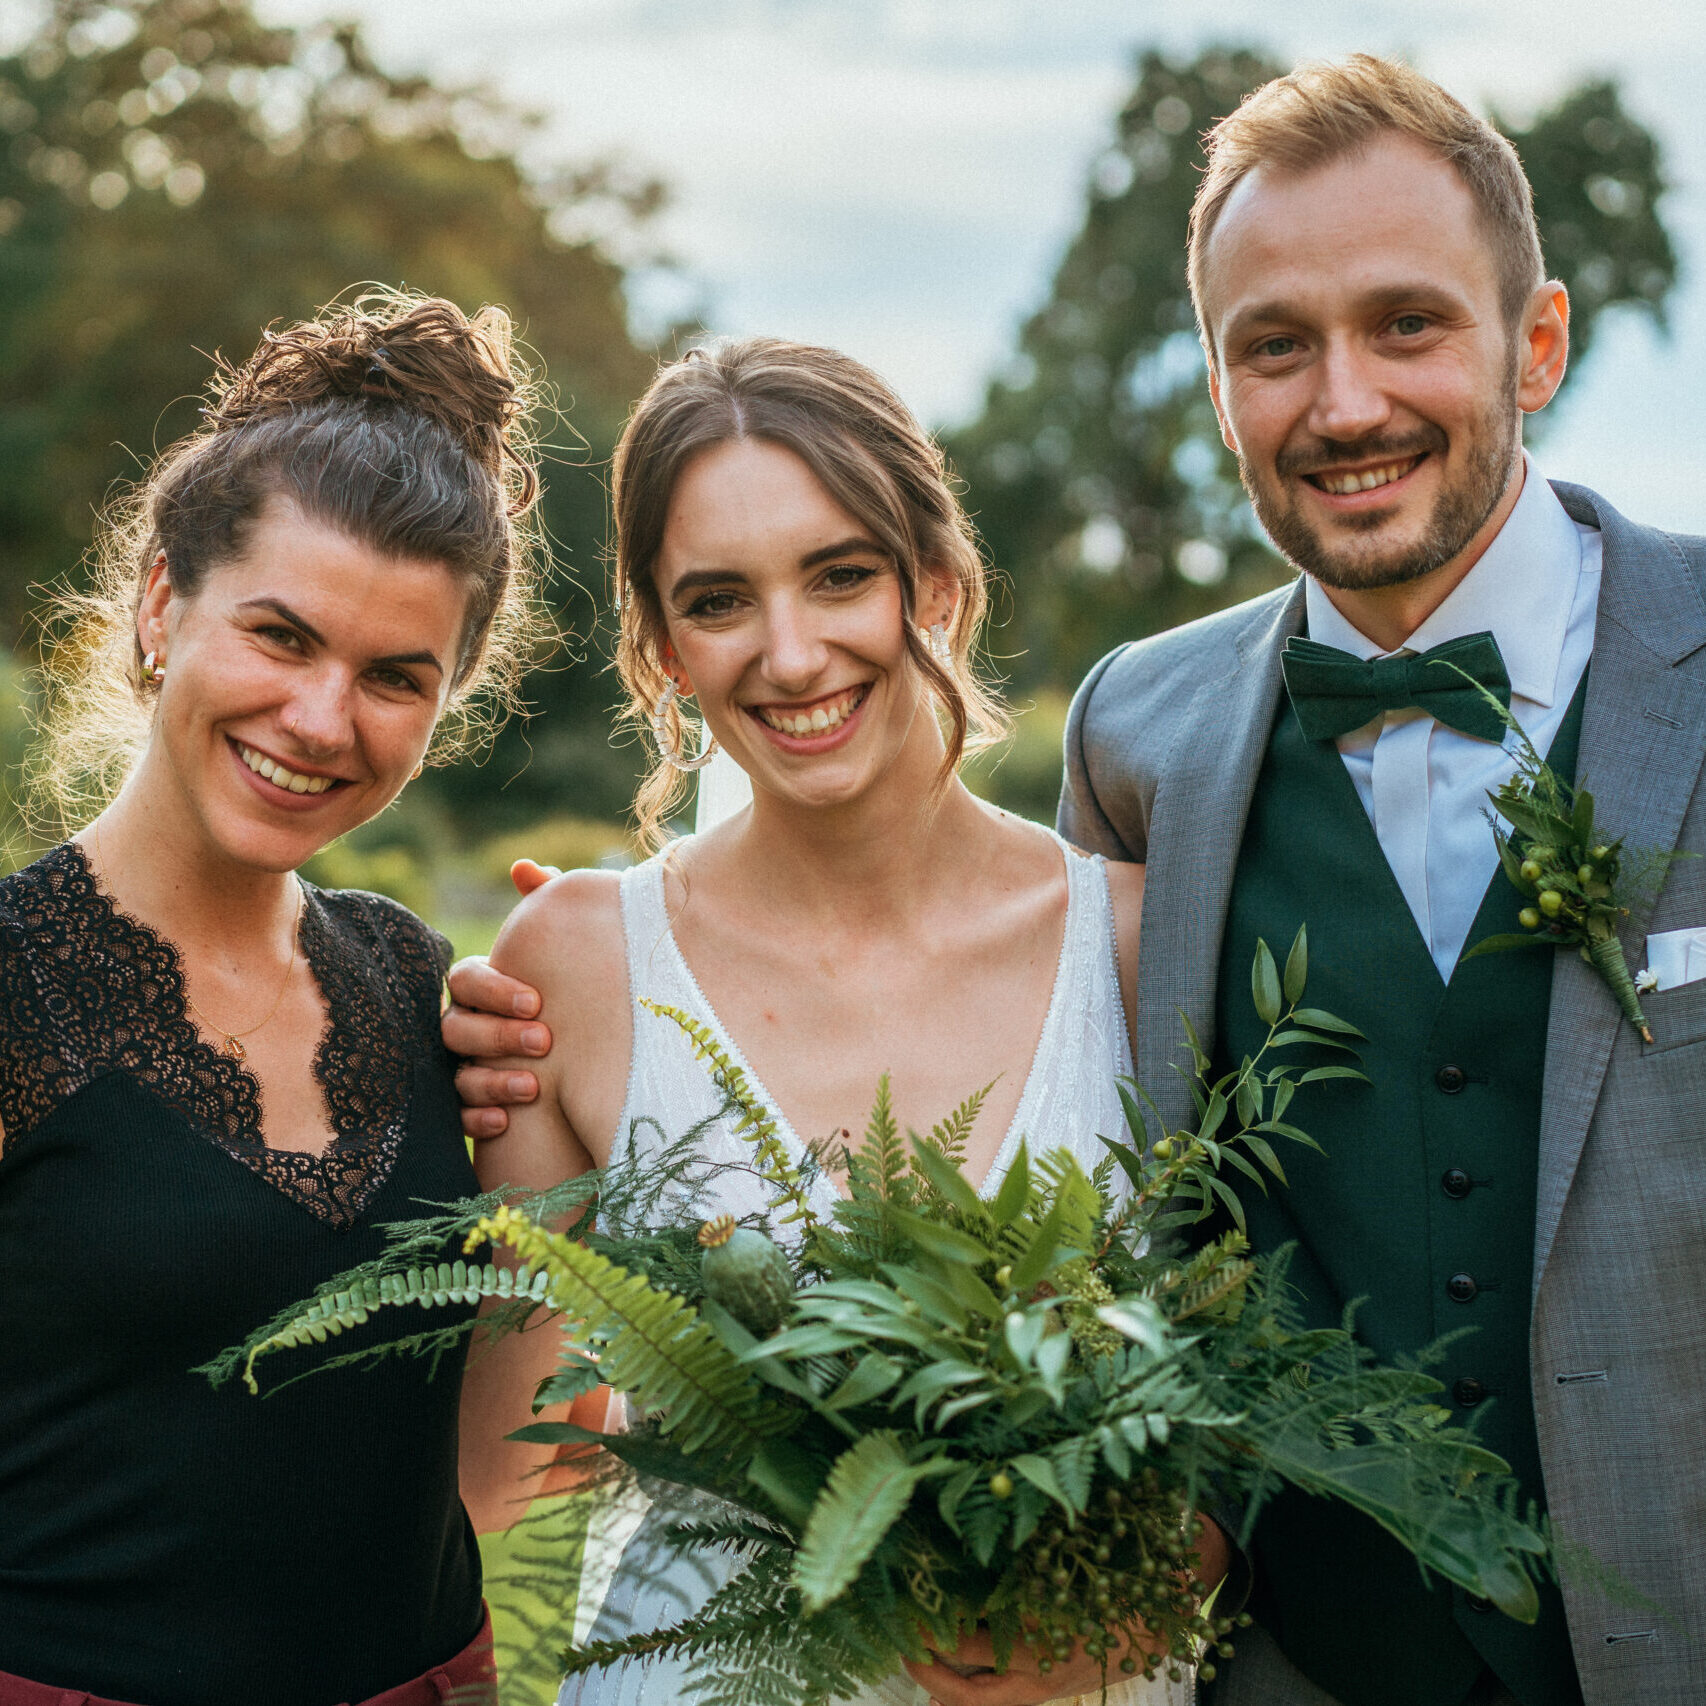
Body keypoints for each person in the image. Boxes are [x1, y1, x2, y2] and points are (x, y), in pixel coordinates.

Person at [1057, 57, 1706, 1706]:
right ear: (1218, 387)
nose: (1341, 405)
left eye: (1406, 323)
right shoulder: (1133, 732)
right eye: (1273, 345)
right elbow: (1073, 1154)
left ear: (1536, 343)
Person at [445, 337, 1225, 1706]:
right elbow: (506, 1472)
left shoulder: (1146, 943)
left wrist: (1155, 1582)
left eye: (840, 574)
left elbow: (1265, 1399)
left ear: (938, 580)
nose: (790, 651)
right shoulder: (570, 963)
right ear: (663, 645)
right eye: (718, 599)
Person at [0, 289, 545, 1706]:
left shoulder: (425, 987)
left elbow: (501, 1439)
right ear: (161, 603)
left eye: (392, 676)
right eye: (282, 636)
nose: (321, 718)